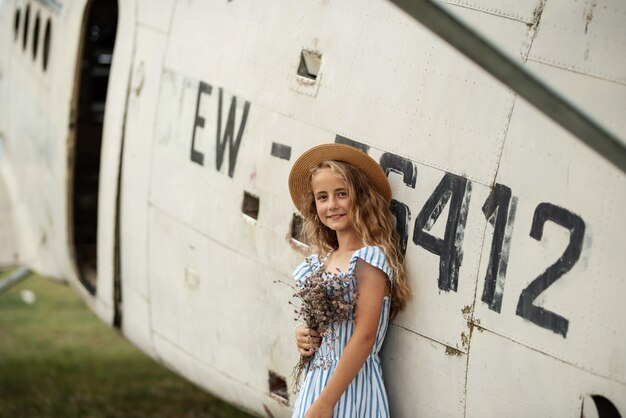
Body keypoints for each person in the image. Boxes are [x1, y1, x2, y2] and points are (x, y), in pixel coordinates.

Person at [287, 143, 411, 418]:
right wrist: (305, 336)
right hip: (317, 383)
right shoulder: (321, 263)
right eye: (322, 197)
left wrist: (326, 403)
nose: (331, 205)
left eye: (341, 194)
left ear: (361, 198)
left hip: (349, 389)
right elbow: (327, 330)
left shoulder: (368, 260)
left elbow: (364, 337)